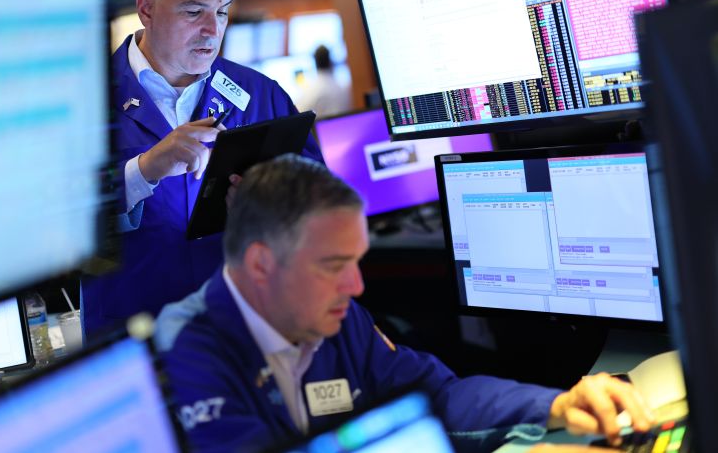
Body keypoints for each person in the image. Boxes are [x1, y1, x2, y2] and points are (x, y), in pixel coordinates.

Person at [154, 155, 654, 453]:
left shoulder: (340, 319)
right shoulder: (184, 353)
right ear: (262, 263)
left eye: (357, 261)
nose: (354, 286)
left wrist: (555, 405)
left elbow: (437, 396)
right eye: (332, 265)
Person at [81, 0, 323, 337]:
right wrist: (143, 170)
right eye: (194, 12)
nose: (213, 30)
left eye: (223, 12)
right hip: (135, 342)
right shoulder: (82, 100)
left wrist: (275, 210)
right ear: (147, 9)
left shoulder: (260, 94)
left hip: (243, 333)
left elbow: (319, 206)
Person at [295, 44, 352, 118]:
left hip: (323, 128)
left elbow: (299, 113)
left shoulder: (312, 90)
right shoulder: (342, 87)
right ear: (330, 61)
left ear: (315, 63)